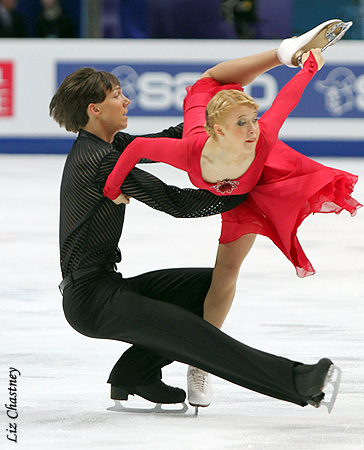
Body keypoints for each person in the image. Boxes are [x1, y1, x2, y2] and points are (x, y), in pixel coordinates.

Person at [52, 21, 346, 416]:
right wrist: (240, 192)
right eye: (117, 96)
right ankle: (298, 381)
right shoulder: (100, 160)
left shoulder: (109, 143)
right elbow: (176, 202)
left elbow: (173, 140)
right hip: (91, 300)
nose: (127, 102)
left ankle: (135, 374)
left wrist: (211, 127)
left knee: (206, 289)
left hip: (104, 284)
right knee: (195, 337)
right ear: (94, 109)